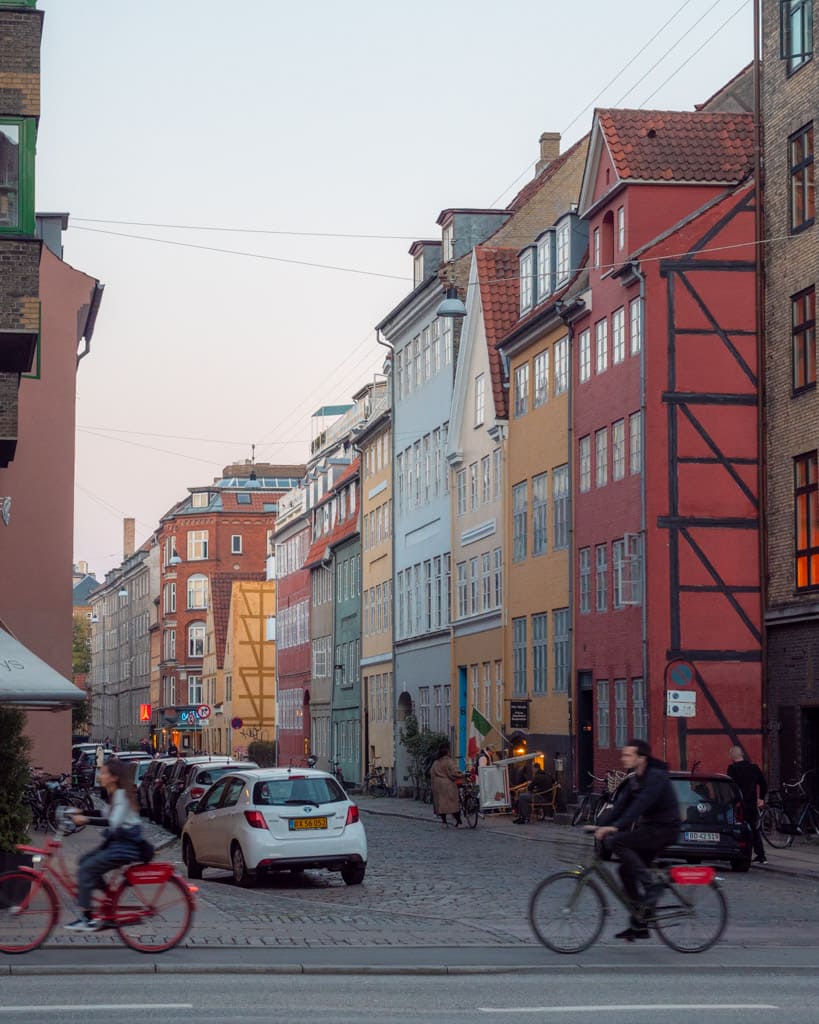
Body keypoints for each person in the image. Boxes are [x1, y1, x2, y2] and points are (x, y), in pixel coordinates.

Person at [594, 739, 681, 942]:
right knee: (624, 871)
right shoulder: (635, 779)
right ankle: (640, 923)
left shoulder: (655, 777)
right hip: (651, 828)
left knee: (618, 842)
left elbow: (640, 806)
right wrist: (599, 824)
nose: (623, 758)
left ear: (641, 758)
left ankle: (651, 886)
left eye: (628, 755)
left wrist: (614, 828)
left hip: (665, 829)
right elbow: (620, 806)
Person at [64, 759, 148, 932]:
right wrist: (82, 812)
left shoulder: (122, 796)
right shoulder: (114, 794)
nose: (100, 776)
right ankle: (109, 898)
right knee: (84, 861)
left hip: (126, 846)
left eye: (103, 773)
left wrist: (85, 819)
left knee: (87, 869)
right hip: (118, 843)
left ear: (114, 777)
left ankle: (86, 918)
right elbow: (103, 813)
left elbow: (113, 822)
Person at [726, 745, 768, 865]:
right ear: (742, 755)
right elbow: (763, 784)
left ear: (731, 757)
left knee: (737, 829)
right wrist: (761, 798)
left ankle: (742, 853)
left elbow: (730, 787)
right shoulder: (753, 768)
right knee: (754, 829)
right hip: (751, 804)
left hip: (738, 805)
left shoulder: (732, 769)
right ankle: (761, 855)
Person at [430, 743, 463, 827]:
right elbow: (455, 772)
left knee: (441, 804)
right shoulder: (448, 761)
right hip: (448, 785)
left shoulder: (436, 762)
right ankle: (458, 820)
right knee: (453, 804)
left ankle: (444, 822)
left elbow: (431, 773)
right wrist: (461, 774)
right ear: (447, 752)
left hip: (437, 785)